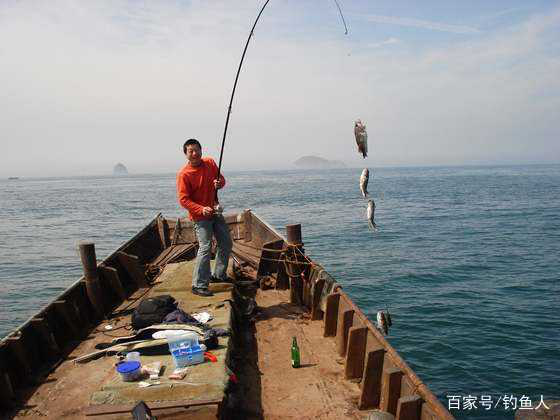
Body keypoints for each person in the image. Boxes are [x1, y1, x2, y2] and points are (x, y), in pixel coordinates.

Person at [176, 139, 233, 297]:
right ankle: (198, 285)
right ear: (186, 154)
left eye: (196, 150)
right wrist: (201, 209)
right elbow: (183, 200)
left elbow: (222, 180)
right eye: (190, 151)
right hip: (199, 217)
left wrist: (218, 183)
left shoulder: (210, 162)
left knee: (226, 243)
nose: (194, 153)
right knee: (205, 247)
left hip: (215, 211)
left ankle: (218, 275)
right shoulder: (184, 174)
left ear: (201, 150)